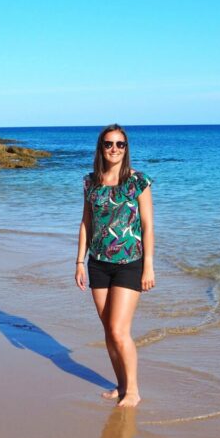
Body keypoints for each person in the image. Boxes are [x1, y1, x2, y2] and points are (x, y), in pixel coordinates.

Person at [74, 124, 154, 408]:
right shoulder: (90, 182)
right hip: (97, 264)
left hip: (130, 264)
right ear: (101, 147)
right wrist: (79, 262)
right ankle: (120, 386)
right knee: (109, 330)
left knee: (120, 330)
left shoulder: (138, 182)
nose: (114, 149)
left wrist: (149, 267)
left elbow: (147, 226)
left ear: (126, 148)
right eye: (109, 144)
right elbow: (86, 223)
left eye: (120, 144)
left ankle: (133, 390)